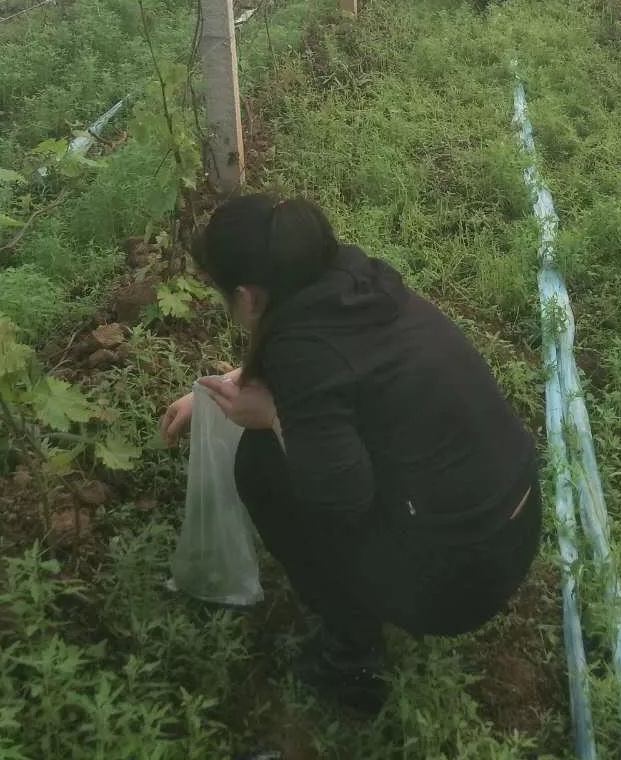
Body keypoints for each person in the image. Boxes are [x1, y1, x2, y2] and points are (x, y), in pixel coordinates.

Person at [160, 194, 540, 716]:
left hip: (459, 582)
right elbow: (342, 375)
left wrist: (274, 417)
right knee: (292, 443)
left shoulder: (303, 350)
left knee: (261, 465)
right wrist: (214, 393)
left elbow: (341, 498)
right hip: (512, 523)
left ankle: (352, 659)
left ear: (247, 297)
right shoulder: (358, 282)